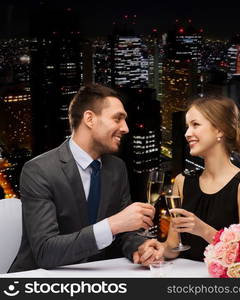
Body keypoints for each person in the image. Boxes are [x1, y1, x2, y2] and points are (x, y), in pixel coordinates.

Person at [9, 84, 163, 272]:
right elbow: (45, 252)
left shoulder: (117, 168)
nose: (125, 128)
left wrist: (139, 246)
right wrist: (112, 225)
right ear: (89, 119)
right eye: (118, 119)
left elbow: (124, 234)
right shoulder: (39, 171)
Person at [163, 96, 240, 261]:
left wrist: (203, 230)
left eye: (195, 125)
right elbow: (173, 248)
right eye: (187, 126)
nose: (187, 133)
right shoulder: (182, 180)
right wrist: (154, 248)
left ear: (219, 130)